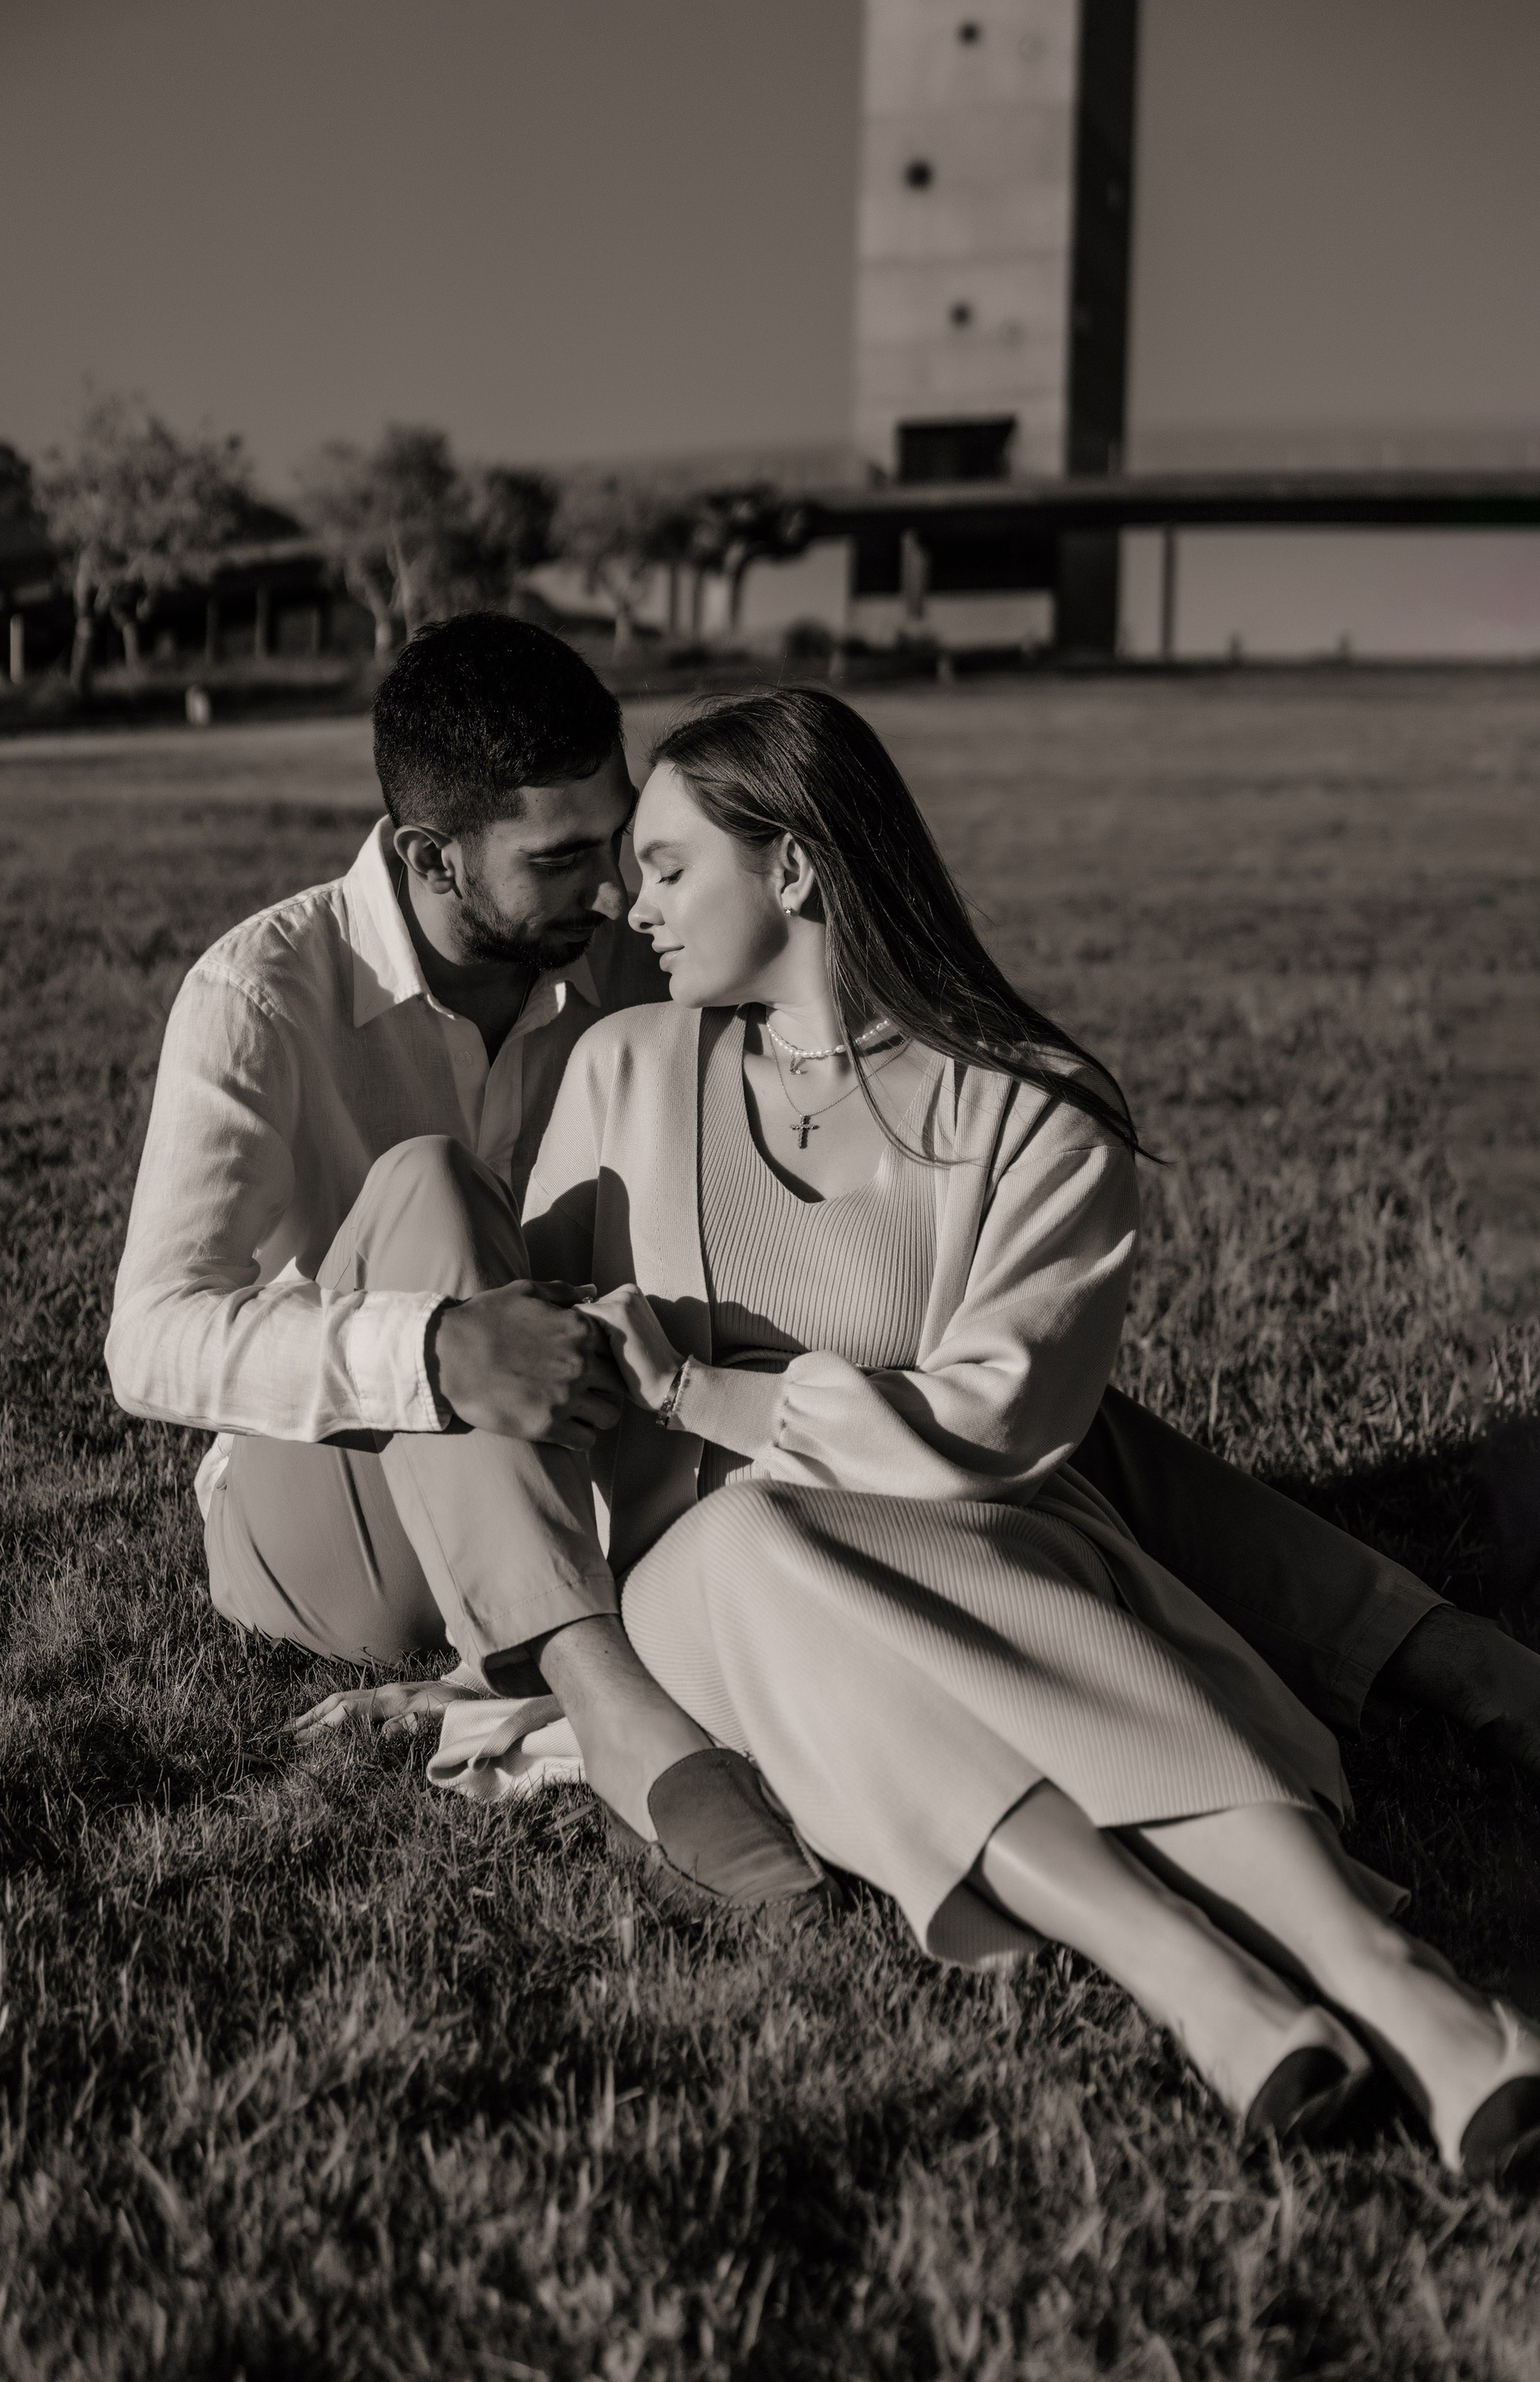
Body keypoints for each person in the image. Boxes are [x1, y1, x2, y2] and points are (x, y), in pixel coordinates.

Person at [107, 616, 1538, 1898]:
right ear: (432, 858)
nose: (613, 898)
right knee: (429, 1186)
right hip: (345, 1511)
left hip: (573, 1445)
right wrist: (435, 1348)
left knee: (1000, 1411)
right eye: (562, 861)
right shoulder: (262, 993)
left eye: (627, 852)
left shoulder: (627, 960)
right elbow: (150, 1341)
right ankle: (603, 1694)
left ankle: (1425, 1649)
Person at [508, 688, 1538, 2178]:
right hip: (698, 1602)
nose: (632, 906)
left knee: (836, 1564)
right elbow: (536, 1379)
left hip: (975, 1549)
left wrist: (701, 1394)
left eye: (666, 868)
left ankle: (1358, 1985)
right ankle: (1200, 1967)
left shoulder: (1032, 1112)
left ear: (793, 866)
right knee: (739, 1541)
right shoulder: (619, 1072)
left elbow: (995, 1427)